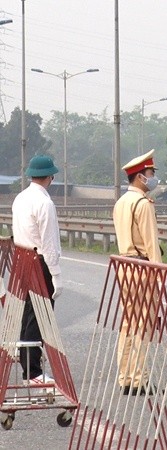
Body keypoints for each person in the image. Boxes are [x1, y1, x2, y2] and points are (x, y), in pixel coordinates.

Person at [112, 149, 162, 395]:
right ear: (141, 177)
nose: (153, 178)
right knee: (143, 325)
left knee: (128, 325)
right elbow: (152, 245)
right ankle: (139, 378)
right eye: (151, 173)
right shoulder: (143, 204)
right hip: (143, 268)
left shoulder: (121, 203)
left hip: (125, 266)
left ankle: (125, 377)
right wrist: (160, 276)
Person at [11, 155, 62, 387]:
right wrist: (56, 275)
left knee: (26, 315)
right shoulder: (45, 203)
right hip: (39, 261)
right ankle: (33, 371)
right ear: (51, 177)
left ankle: (27, 365)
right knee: (39, 317)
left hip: (21, 259)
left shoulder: (20, 198)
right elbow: (49, 243)